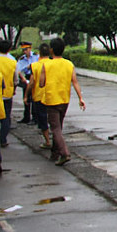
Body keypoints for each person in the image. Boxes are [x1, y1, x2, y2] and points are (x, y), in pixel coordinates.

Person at [38, 38, 86, 166]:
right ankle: (55, 153)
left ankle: (64, 153)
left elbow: (41, 83)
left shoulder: (46, 64)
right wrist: (80, 98)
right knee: (58, 125)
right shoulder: (69, 64)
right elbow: (75, 82)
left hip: (52, 99)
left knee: (55, 128)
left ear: (51, 50)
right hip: (64, 99)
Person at [25, 43, 52, 150]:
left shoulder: (35, 65)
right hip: (52, 95)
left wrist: (26, 95)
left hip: (39, 96)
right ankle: (56, 138)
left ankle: (47, 141)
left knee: (43, 119)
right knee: (52, 118)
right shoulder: (53, 64)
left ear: (39, 53)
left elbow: (31, 83)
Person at [0, 40, 18, 147]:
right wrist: (14, 89)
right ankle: (3, 139)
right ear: (9, 49)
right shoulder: (12, 61)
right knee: (6, 117)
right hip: (7, 93)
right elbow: (15, 79)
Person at [15, 42, 38, 124]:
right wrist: (24, 79)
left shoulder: (36, 56)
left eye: (26, 49)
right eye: (23, 50)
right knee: (26, 98)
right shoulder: (22, 59)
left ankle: (35, 118)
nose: (25, 51)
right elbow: (18, 70)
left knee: (34, 98)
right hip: (26, 78)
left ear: (30, 48)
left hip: (35, 77)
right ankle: (26, 117)